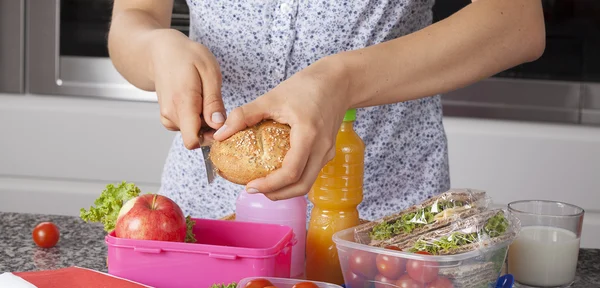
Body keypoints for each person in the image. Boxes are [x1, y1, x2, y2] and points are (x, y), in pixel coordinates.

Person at [108, 0, 545, 221]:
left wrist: (341, 82)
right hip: (205, 218)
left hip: (377, 229)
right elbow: (135, 15)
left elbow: (515, 23)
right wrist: (156, 47)